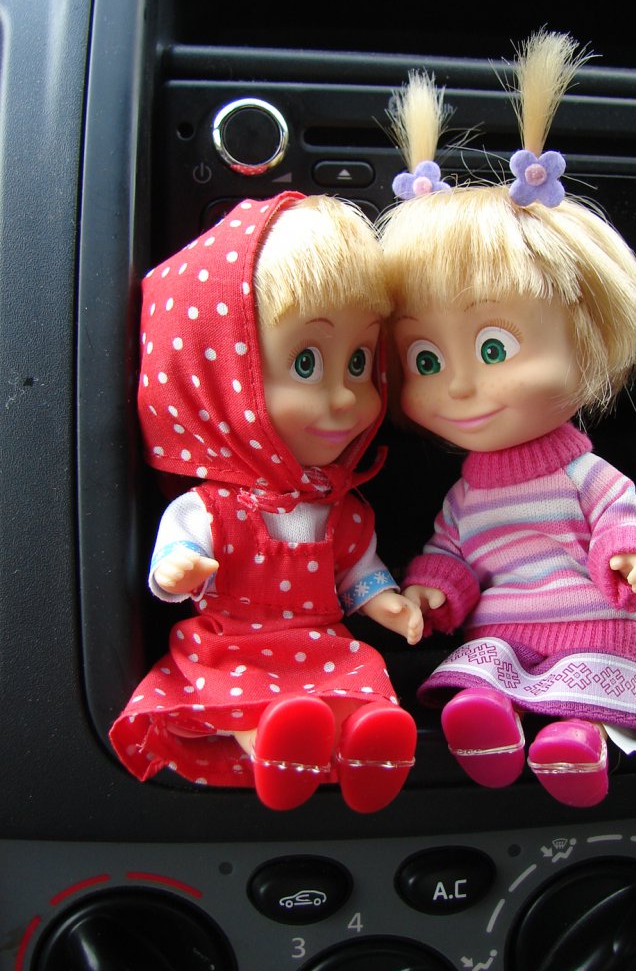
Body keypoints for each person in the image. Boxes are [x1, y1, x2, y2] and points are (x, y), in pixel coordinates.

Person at [379, 32, 636, 807]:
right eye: (424, 359)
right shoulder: (467, 495)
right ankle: (494, 726)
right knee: (480, 674)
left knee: (586, 683)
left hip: (590, 625)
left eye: (494, 347)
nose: (458, 385)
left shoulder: (584, 474)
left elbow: (622, 521)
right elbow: (450, 552)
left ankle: (577, 738)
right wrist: (434, 590)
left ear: (588, 335)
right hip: (504, 630)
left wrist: (630, 558)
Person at [110, 191, 422, 813]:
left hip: (321, 640)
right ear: (217, 382)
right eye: (306, 362)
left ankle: (363, 746)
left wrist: (387, 604)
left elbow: (356, 570)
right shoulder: (213, 508)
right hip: (235, 643)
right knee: (246, 695)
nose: (345, 398)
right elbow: (179, 549)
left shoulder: (339, 507)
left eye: (359, 362)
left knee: (357, 678)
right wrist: (177, 570)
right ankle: (269, 745)